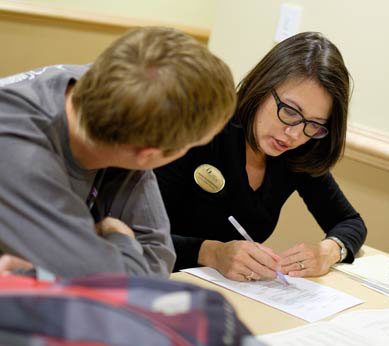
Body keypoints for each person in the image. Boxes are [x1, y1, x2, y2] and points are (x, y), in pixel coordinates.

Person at [0, 27, 236, 278]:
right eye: (192, 146)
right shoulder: (22, 157)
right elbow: (128, 284)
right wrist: (119, 236)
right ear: (149, 155)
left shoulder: (120, 104)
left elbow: (157, 257)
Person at [154, 31, 367, 282]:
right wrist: (210, 252)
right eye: (289, 111)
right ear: (263, 87)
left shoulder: (298, 154)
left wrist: (328, 251)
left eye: (314, 124)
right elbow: (132, 234)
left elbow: (350, 222)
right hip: (154, 281)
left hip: (228, 295)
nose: (294, 134)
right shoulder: (201, 129)